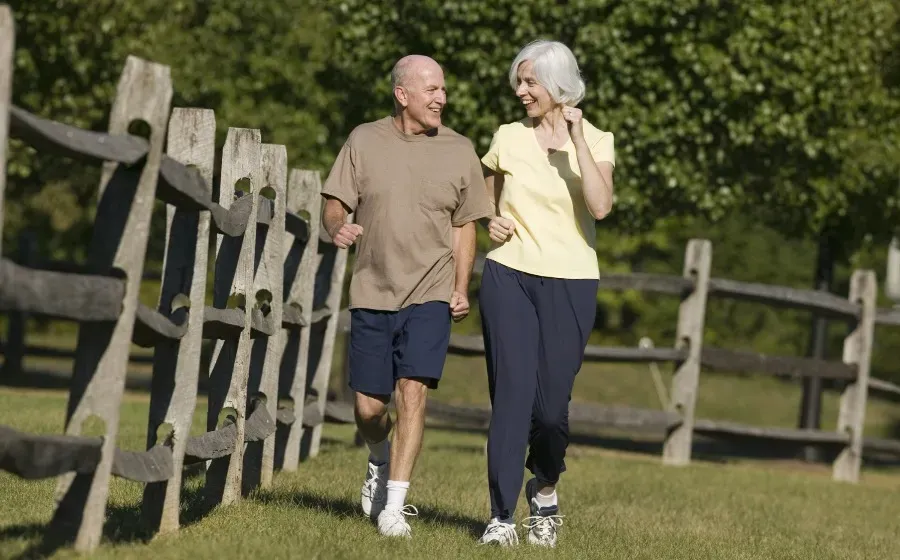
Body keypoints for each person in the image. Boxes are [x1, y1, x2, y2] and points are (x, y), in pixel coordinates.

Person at [320, 54, 494, 539]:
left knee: (412, 392)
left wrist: (461, 288)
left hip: (431, 292)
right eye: (432, 90)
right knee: (369, 409)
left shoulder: (460, 150)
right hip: (373, 290)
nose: (443, 98)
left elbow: (465, 226)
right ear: (403, 95)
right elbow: (334, 205)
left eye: (442, 90)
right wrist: (338, 228)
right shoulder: (363, 140)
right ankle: (379, 456)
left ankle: (395, 507)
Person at [476, 40, 615, 548]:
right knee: (511, 398)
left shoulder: (598, 140)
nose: (520, 90)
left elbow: (600, 207)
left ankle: (546, 488)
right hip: (508, 274)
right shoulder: (508, 137)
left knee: (552, 410)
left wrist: (576, 142)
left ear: (557, 85)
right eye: (520, 81)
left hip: (572, 280)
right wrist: (489, 221)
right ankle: (500, 517)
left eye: (530, 81)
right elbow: (483, 198)